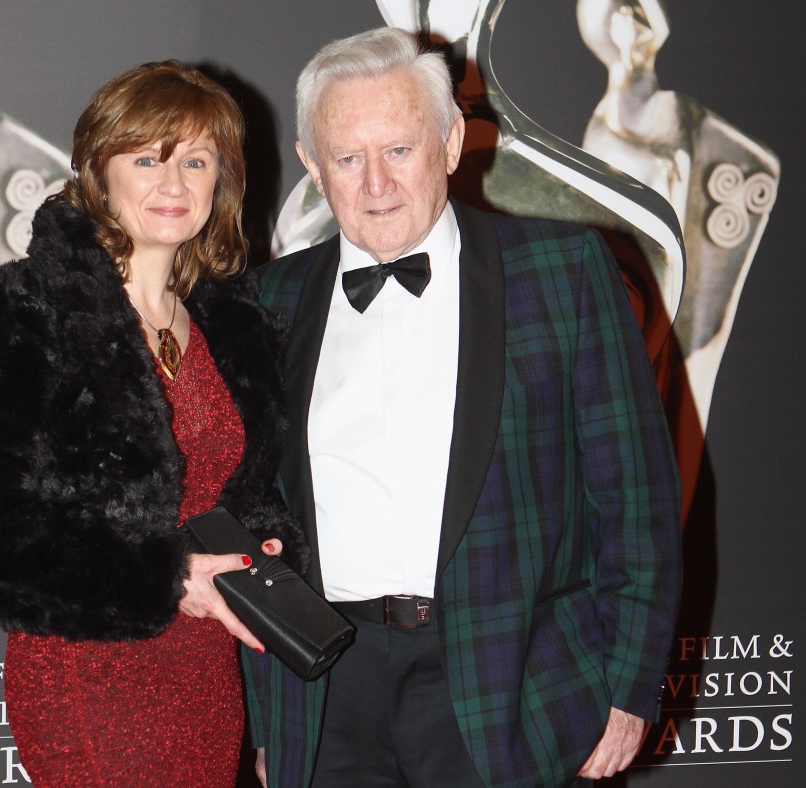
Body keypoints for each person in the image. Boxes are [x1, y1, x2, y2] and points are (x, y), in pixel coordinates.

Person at [244, 27, 682, 788]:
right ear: (315, 167)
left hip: (505, 683)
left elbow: (635, 501)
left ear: (451, 142)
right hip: (321, 695)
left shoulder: (562, 274)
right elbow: (252, 521)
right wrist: (264, 714)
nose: (376, 183)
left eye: (400, 150)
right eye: (348, 158)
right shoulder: (266, 304)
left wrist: (627, 687)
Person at [0, 60, 307, 787]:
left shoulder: (232, 323)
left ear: (221, 182)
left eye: (196, 161)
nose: (174, 184)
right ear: (99, 174)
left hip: (206, 665)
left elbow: (243, 494)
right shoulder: (34, 309)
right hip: (87, 669)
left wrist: (267, 551)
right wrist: (164, 580)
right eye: (147, 159)